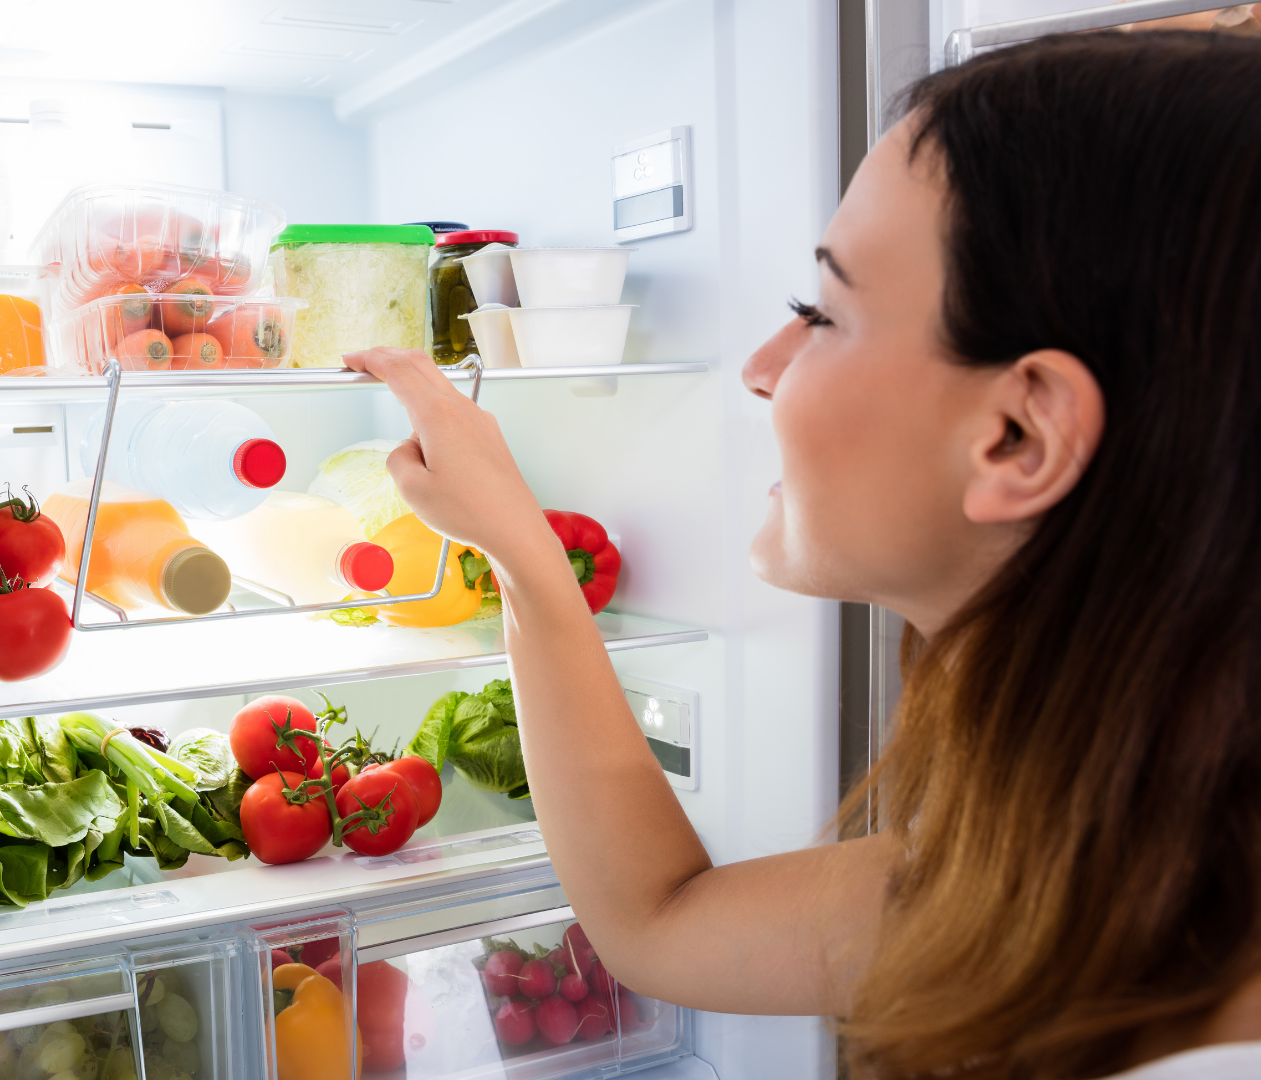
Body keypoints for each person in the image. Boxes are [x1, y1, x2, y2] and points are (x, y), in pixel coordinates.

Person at [345, 30, 1261, 1080]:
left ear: (1020, 437)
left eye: (819, 313)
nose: (763, 368)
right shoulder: (1101, 866)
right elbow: (659, 923)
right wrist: (523, 554)